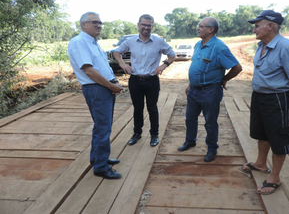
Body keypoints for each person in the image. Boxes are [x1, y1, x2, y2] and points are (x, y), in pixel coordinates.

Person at [242, 10, 289, 194]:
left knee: (279, 136)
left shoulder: (287, 47)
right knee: (261, 132)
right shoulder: (261, 45)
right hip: (259, 96)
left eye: (257, 26)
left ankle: (275, 177)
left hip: (278, 97)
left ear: (270, 26)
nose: (254, 30)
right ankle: (261, 164)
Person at [177, 17, 243, 162]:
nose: (197, 28)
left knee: (210, 122)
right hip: (194, 90)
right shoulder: (198, 45)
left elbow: (237, 67)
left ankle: (212, 148)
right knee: (190, 118)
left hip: (210, 91)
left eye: (201, 26)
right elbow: (197, 67)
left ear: (210, 29)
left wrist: (224, 79)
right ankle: (190, 141)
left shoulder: (219, 47)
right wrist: (190, 84)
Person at [68, 12, 123, 179]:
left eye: (100, 22)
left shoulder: (93, 43)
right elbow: (89, 71)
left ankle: (99, 159)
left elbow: (101, 67)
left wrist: (113, 83)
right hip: (97, 89)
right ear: (83, 24)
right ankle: (101, 167)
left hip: (103, 88)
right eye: (94, 22)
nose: (99, 25)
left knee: (101, 126)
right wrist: (112, 86)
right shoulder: (79, 42)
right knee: (103, 128)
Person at [113, 14, 176, 147]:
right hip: (135, 80)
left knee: (152, 108)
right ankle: (137, 133)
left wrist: (164, 65)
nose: (146, 27)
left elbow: (172, 55)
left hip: (152, 80)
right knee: (137, 108)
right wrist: (122, 64)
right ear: (138, 25)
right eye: (144, 24)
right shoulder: (130, 41)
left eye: (149, 25)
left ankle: (154, 135)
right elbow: (117, 52)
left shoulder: (158, 41)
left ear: (152, 26)